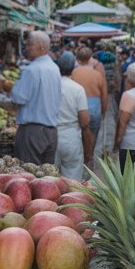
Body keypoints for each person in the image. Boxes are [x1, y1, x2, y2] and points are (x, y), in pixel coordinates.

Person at [10, 31, 61, 165]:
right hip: (51, 132)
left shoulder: (31, 70)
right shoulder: (54, 68)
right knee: (46, 178)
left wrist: (12, 88)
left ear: (42, 47)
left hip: (32, 132)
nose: (26, 48)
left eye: (29, 45)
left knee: (29, 176)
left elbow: (19, 98)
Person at [55, 53, 92, 181]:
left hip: (50, 135)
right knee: (72, 179)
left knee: (50, 179)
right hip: (70, 137)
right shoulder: (77, 89)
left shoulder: (49, 86)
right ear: (73, 68)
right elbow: (85, 121)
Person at [70, 47, 108, 166]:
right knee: (92, 136)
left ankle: (80, 159)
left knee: (79, 136)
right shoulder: (97, 75)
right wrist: (103, 111)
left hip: (77, 109)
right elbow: (104, 96)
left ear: (78, 59)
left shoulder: (73, 73)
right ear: (90, 58)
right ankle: (89, 158)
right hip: (94, 109)